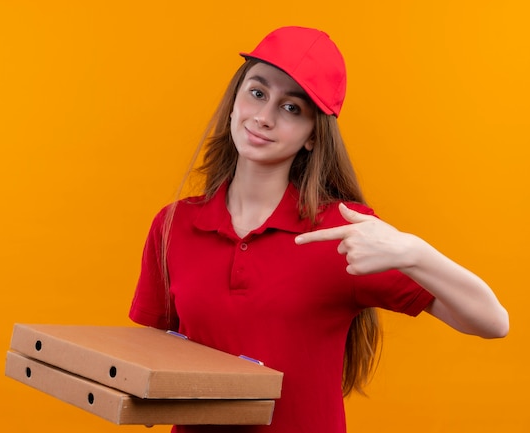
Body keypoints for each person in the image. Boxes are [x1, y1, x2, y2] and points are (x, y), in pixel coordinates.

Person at [129, 26, 509, 433]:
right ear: (235, 100)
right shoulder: (174, 225)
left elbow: (492, 322)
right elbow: (161, 354)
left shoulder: (344, 233)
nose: (264, 117)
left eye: (292, 108)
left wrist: (414, 252)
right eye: (257, 93)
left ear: (313, 136)